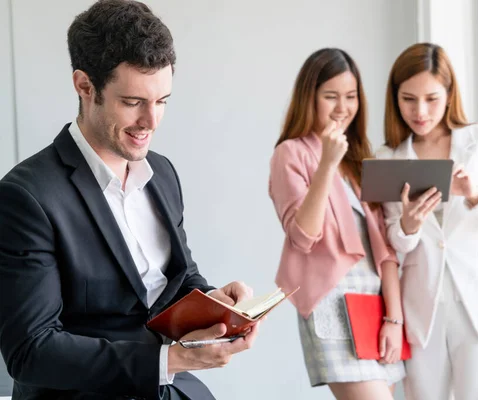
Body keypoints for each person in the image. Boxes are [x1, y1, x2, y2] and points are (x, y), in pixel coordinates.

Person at [0, 1, 259, 399]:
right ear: (85, 86)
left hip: (169, 388)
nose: (151, 122)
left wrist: (216, 302)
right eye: (133, 102)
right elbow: (31, 352)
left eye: (162, 101)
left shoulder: (163, 173)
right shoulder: (27, 197)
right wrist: (171, 361)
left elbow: (177, 280)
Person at [376, 42, 478, 400]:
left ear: (449, 93)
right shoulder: (388, 157)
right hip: (423, 312)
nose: (421, 111)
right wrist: (409, 225)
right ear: (395, 98)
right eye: (408, 99)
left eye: (431, 98)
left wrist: (475, 195)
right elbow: (392, 243)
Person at [269, 48, 405, 400]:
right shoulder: (291, 153)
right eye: (331, 97)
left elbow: (385, 250)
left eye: (350, 96)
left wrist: (395, 318)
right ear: (309, 98)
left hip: (374, 305)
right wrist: (327, 164)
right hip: (331, 301)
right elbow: (302, 236)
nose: (343, 107)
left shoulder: (361, 158)